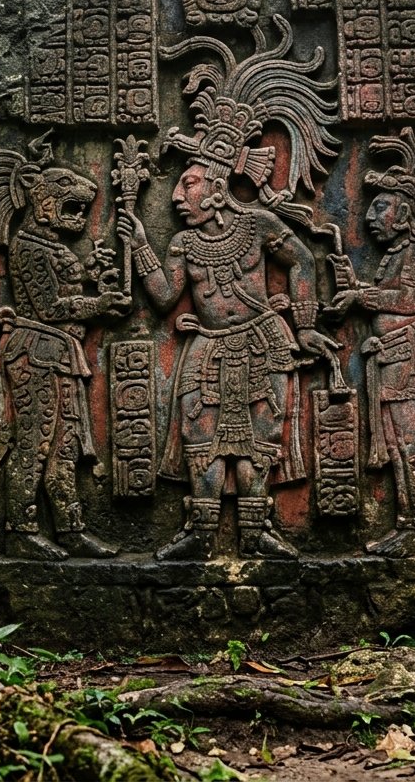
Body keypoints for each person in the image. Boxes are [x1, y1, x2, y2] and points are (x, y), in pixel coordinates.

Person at [118, 158, 337, 560]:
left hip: (263, 342)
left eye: (189, 184)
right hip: (207, 345)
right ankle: (201, 533)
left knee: (260, 438)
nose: (177, 197)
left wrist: (304, 325)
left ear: (218, 189)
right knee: (199, 437)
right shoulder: (183, 243)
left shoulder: (258, 225)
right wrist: (140, 247)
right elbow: (166, 297)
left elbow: (303, 261)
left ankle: (254, 534)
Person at [0, 142, 128, 560]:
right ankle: (20, 530)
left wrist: (90, 275)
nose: (81, 220)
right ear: (44, 203)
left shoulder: (50, 247)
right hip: (35, 351)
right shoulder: (27, 247)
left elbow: (63, 289)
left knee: (64, 445)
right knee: (35, 442)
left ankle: (70, 528)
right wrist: (98, 305)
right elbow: (48, 307)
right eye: (72, 209)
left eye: (83, 212)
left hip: (61, 354)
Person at [327, 153, 415, 557]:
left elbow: (406, 301)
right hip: (395, 360)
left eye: (380, 206)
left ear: (404, 212)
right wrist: (356, 287)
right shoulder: (398, 254)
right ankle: (408, 524)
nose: (369, 217)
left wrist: (359, 295)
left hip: (413, 361)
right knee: (400, 445)